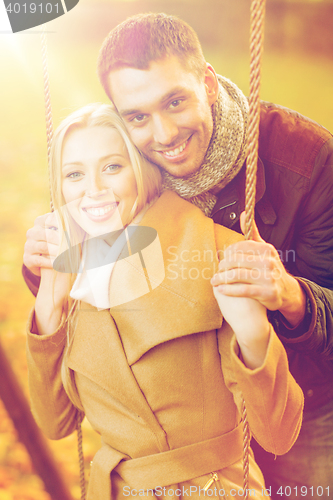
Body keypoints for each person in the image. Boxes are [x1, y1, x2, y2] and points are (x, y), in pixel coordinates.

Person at [23, 13, 333, 498]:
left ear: (207, 83)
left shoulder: (304, 161)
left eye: (175, 101)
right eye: (139, 116)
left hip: (306, 386)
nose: (163, 134)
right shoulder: (125, 172)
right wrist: (45, 271)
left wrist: (285, 296)